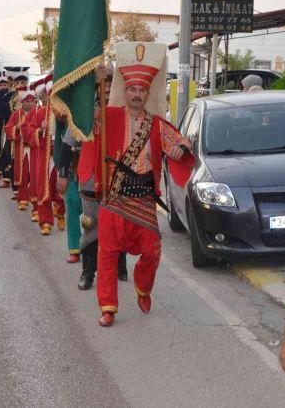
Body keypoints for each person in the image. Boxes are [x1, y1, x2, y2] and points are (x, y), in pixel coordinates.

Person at [93, 42, 194, 328]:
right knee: (108, 254)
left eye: (142, 91)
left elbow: (183, 142)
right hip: (114, 197)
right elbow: (88, 124)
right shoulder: (108, 115)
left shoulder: (157, 124)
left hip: (144, 200)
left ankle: (143, 287)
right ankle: (108, 306)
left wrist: (180, 150)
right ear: (124, 92)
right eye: (132, 90)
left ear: (148, 94)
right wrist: (95, 83)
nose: (137, 95)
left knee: (151, 252)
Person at [57, 66, 127, 288]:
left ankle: (120, 264)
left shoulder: (125, 113)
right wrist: (63, 174)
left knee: (119, 224)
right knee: (90, 223)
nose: (105, 92)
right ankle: (88, 272)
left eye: (109, 86)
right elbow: (68, 145)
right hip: (89, 175)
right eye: (101, 87)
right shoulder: (85, 113)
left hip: (117, 178)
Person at [27, 75, 65, 235]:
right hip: (46, 157)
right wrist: (40, 130)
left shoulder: (65, 112)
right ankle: (46, 221)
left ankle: (61, 212)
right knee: (45, 188)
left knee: (61, 188)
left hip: (62, 157)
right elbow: (29, 131)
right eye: (49, 94)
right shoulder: (40, 112)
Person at [5, 84, 35, 210]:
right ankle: (22, 198)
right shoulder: (16, 114)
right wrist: (16, 128)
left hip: (34, 148)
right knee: (22, 173)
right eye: (27, 101)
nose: (29, 104)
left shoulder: (37, 113)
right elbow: (7, 128)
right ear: (22, 102)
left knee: (34, 174)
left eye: (32, 101)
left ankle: (34, 198)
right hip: (21, 148)